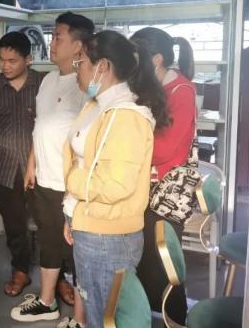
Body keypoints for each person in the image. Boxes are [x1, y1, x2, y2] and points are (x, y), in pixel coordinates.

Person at [63, 30, 170, 327]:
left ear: (103, 67)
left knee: (104, 317)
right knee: (94, 306)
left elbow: (115, 184)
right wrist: (72, 213)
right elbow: (83, 160)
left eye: (80, 62)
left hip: (108, 237)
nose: (76, 70)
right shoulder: (96, 105)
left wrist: (71, 182)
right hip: (89, 223)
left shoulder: (127, 117)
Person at [10, 12, 94, 325]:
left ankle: (81, 317)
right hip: (44, 179)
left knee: (77, 249)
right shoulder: (47, 79)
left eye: (58, 37)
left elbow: (89, 138)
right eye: (53, 36)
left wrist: (77, 185)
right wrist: (32, 163)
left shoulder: (87, 85)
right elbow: (40, 125)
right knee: (48, 240)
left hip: (70, 185)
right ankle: (47, 302)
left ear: (78, 46)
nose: (52, 42)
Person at [132, 27, 196, 325]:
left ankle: (176, 320)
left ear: (156, 59)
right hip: (145, 184)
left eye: (137, 57)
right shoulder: (150, 86)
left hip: (165, 191)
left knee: (164, 263)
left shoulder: (182, 91)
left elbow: (167, 147)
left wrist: (130, 147)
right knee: (143, 259)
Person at [0, 31, 45, 297]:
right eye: (2, 60)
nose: (5, 66)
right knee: (14, 225)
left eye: (12, 61)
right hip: (5, 169)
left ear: (28, 59)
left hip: (43, 168)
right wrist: (6, 142)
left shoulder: (44, 84)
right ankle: (21, 270)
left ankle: (60, 275)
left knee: (50, 223)